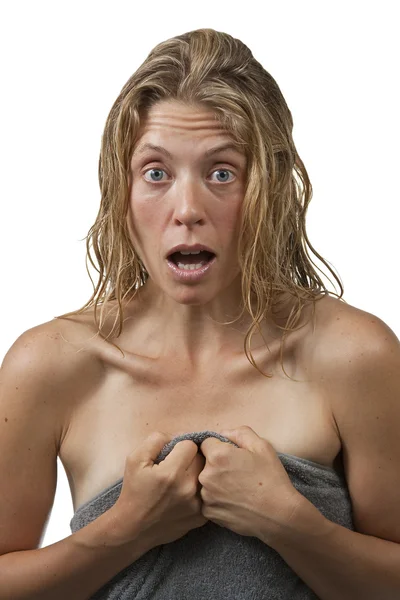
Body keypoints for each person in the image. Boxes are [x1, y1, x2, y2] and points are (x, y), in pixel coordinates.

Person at [1, 27, 399, 600]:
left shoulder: (355, 355)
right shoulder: (48, 366)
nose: (187, 210)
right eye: (156, 173)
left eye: (221, 173)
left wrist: (293, 526)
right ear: (123, 190)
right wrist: (123, 532)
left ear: (271, 189)